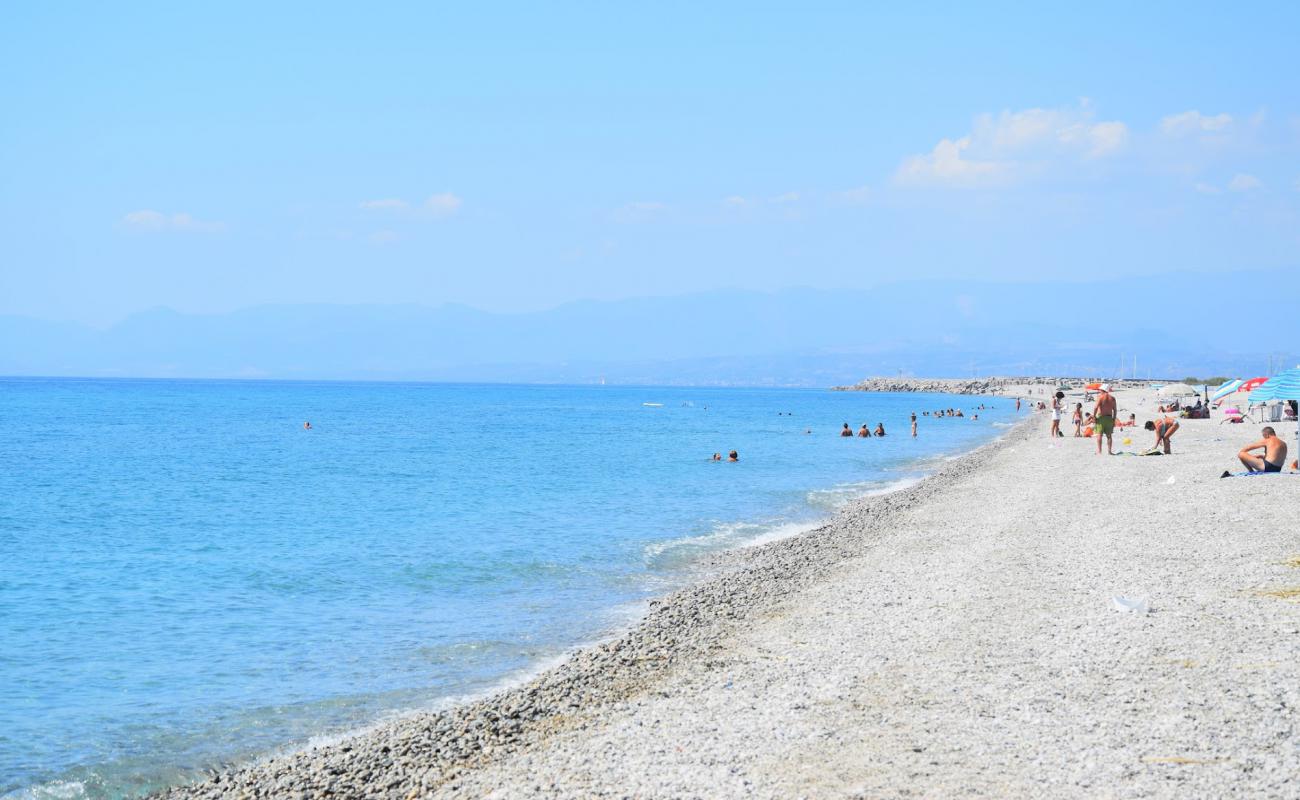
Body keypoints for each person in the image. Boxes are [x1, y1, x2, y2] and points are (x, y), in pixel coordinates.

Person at [1093, 384, 1117, 455]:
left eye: (1099, 390)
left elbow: (1095, 408)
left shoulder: (1100, 397)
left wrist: (1094, 417)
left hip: (1101, 418)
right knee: (1109, 436)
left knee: (1099, 435)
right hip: (1109, 418)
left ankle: (1099, 451)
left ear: (1102, 390)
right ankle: (1109, 451)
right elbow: (1115, 410)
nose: (1099, 391)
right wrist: (1114, 419)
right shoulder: (1112, 398)